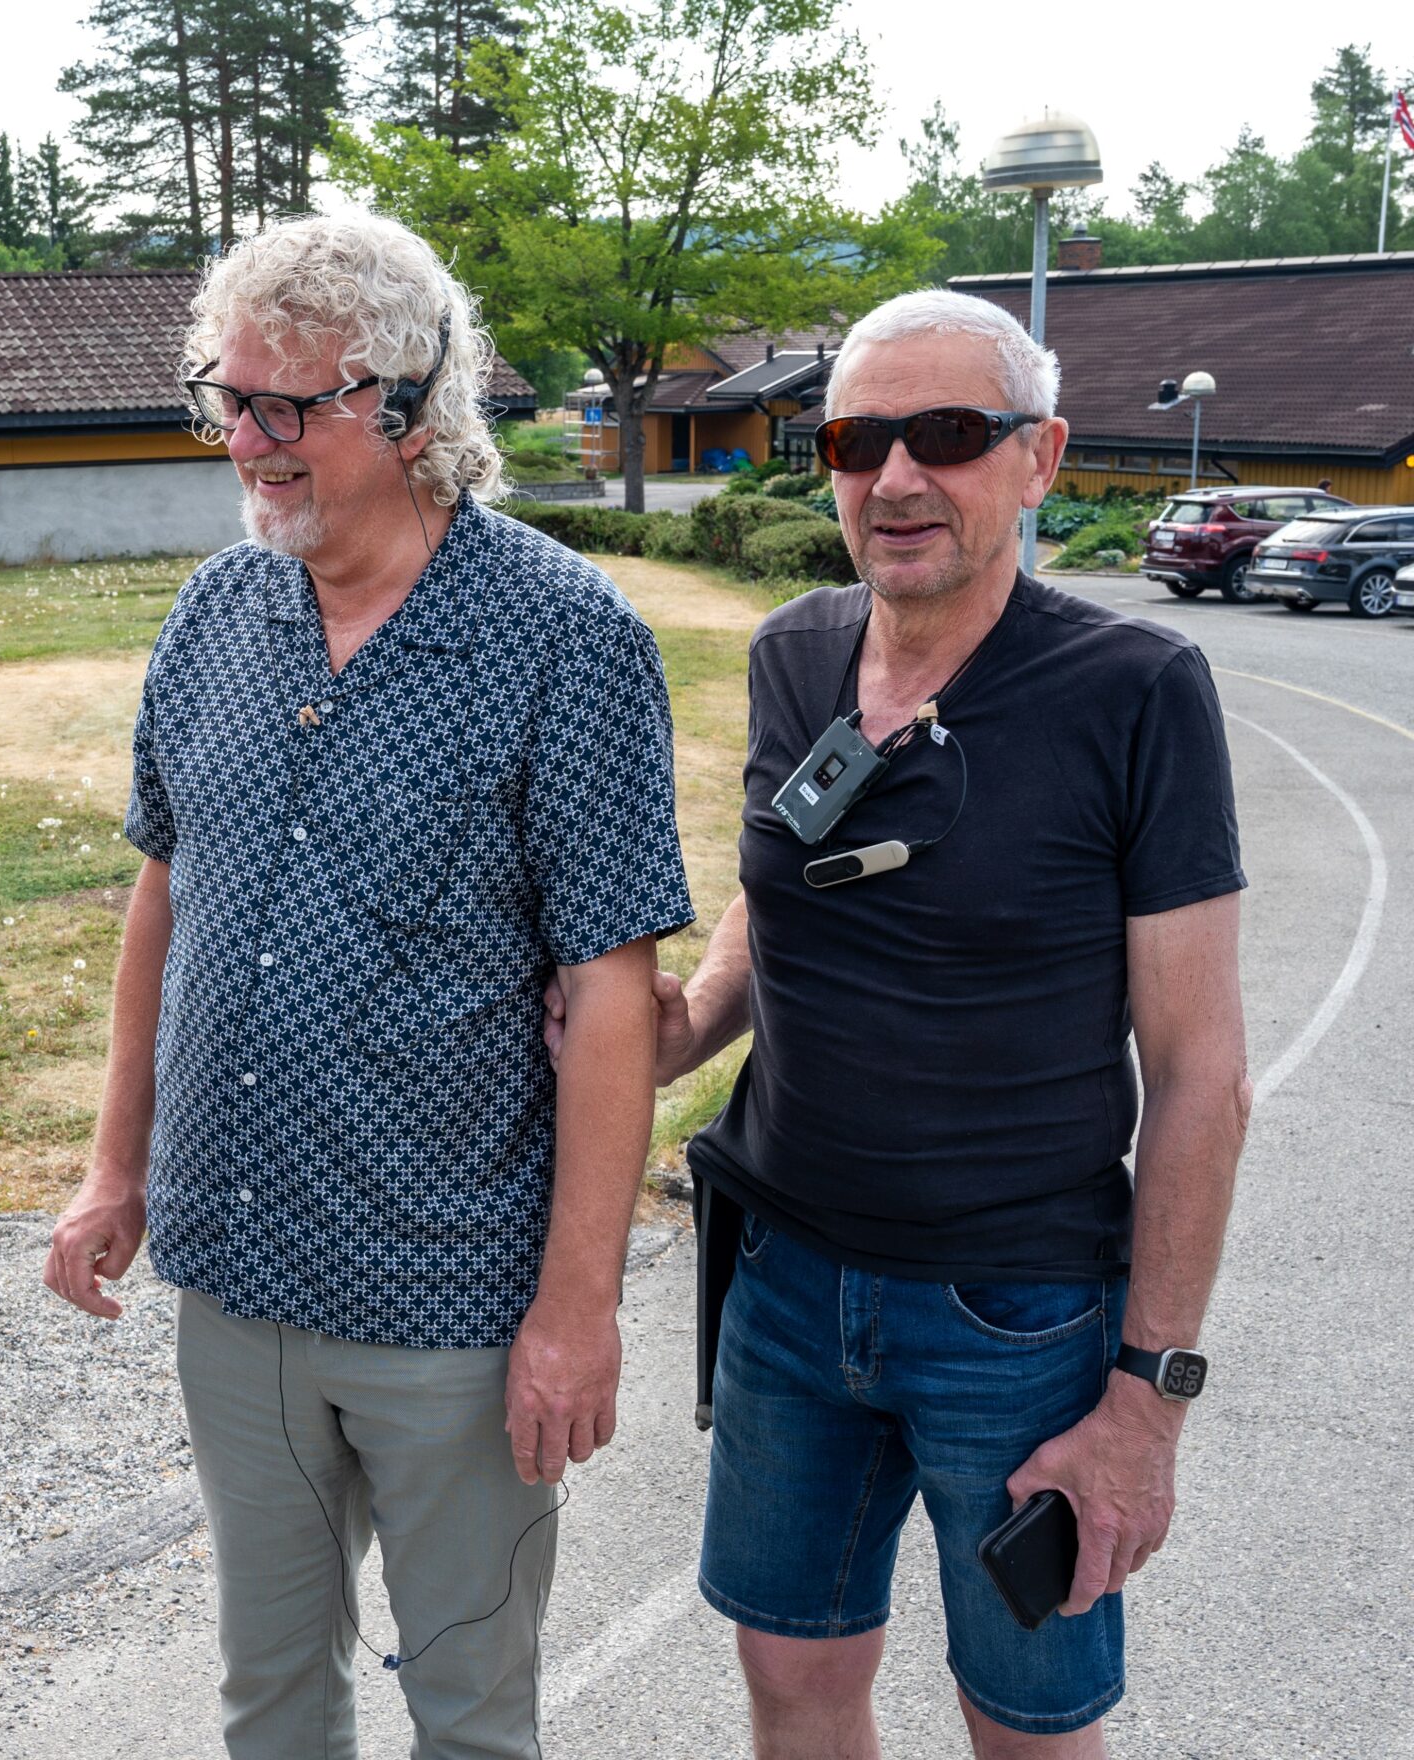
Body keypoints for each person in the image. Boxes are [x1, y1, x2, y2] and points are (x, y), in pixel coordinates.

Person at [552, 289, 1250, 1757]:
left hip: (1019, 1312)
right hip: (789, 1288)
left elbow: (1201, 1079)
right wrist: (684, 1029)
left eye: (947, 434)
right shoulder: (795, 653)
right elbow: (779, 887)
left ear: (1041, 456)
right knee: (793, 1675)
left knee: (1026, 1717)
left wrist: (1150, 1400)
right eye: (858, 440)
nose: (897, 478)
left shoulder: (1137, 694)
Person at [42, 212, 692, 1760]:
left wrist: (576, 1308)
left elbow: (611, 989)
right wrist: (113, 1164)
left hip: (452, 1305)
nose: (247, 444)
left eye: (289, 406)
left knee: (470, 1711)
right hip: (236, 1277)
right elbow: (166, 888)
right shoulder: (217, 614)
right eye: (226, 399)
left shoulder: (567, 641)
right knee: (269, 1696)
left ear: (409, 409)